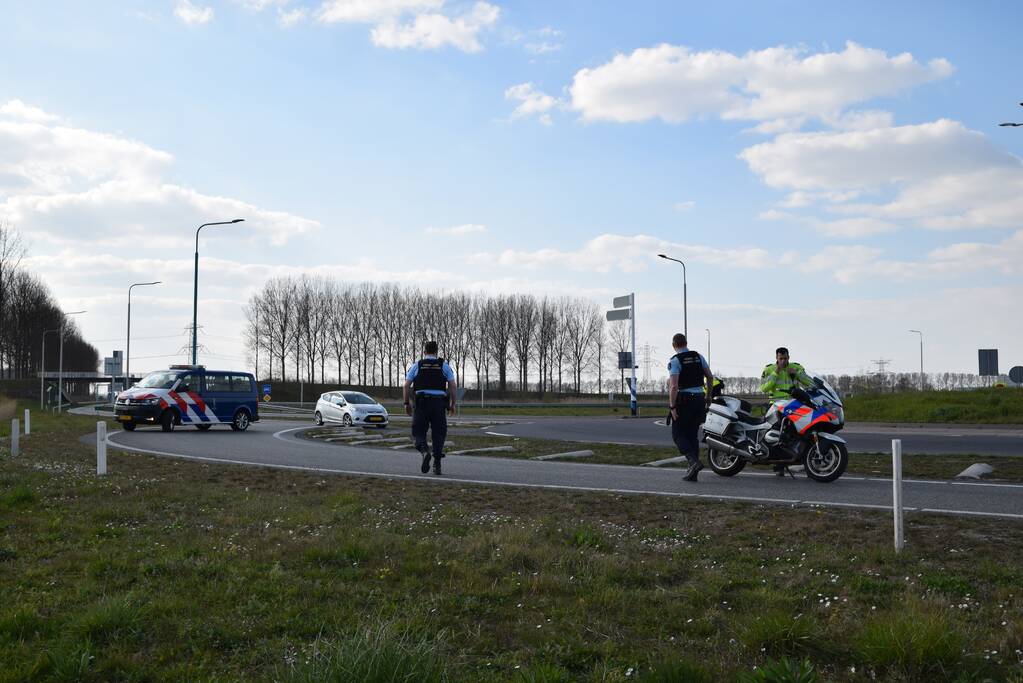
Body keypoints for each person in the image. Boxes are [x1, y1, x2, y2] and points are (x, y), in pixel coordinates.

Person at [403, 340, 457, 476]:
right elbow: (453, 386)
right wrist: (453, 404)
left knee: (418, 432)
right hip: (439, 404)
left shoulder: (417, 365)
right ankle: (437, 465)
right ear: (436, 351)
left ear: (424, 351)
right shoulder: (444, 366)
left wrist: (406, 403)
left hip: (422, 403)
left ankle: (424, 451)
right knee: (439, 433)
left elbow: (406, 385)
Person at [667, 333, 714, 482]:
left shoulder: (675, 360)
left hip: (684, 401)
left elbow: (674, 386)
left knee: (678, 434)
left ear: (674, 345)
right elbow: (710, 377)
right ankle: (693, 473)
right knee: (692, 435)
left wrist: (672, 406)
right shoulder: (698, 356)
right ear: (686, 343)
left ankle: (693, 462)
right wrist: (708, 396)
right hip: (700, 399)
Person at [760, 347, 812, 475]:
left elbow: (809, 383)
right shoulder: (769, 369)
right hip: (776, 406)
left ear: (789, 357)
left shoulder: (797, 367)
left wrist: (797, 374)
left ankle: (803, 460)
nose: (783, 361)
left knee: (799, 433)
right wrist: (775, 373)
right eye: (781, 358)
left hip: (794, 405)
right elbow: (764, 388)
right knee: (779, 436)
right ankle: (779, 466)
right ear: (776, 358)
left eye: (785, 358)